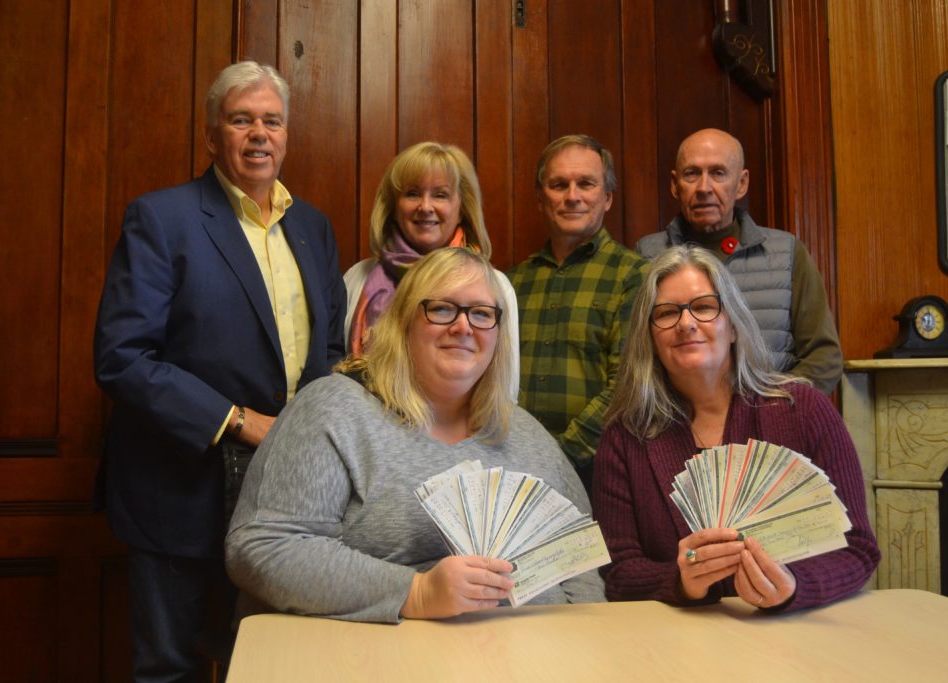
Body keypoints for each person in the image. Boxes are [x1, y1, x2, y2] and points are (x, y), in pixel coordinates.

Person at [93, 61, 346, 680]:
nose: (259, 134)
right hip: (178, 488)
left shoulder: (312, 227)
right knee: (169, 667)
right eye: (241, 120)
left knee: (272, 665)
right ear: (212, 137)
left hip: (287, 496)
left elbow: (331, 352)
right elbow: (121, 357)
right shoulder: (162, 219)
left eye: (272, 121)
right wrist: (239, 421)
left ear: (286, 136)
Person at [226, 248, 604, 623]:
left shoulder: (525, 432)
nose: (463, 326)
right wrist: (416, 592)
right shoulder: (333, 410)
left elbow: (579, 561)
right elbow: (261, 548)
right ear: (404, 321)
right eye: (441, 309)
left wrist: (580, 638)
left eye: (482, 313)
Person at [592, 244, 879, 611]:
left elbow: (858, 549)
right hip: (680, 645)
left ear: (732, 325)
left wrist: (794, 587)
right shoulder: (625, 436)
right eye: (666, 313)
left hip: (794, 641)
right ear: (649, 337)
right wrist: (680, 582)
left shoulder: (805, 411)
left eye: (704, 307)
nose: (686, 323)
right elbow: (619, 573)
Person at [637, 128, 843, 394]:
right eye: (692, 174)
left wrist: (775, 411)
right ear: (675, 185)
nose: (704, 188)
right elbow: (636, 357)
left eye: (718, 173)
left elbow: (823, 358)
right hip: (679, 423)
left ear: (741, 183)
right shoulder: (647, 256)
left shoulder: (786, 254)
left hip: (772, 425)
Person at [507, 134, 647, 486]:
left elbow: (627, 385)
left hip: (598, 474)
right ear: (540, 198)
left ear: (608, 197)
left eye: (586, 183)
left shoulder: (635, 275)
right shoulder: (510, 283)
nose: (572, 196)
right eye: (559, 185)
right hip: (510, 467)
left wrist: (557, 458)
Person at [344, 141, 519, 399]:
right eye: (413, 193)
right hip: (362, 431)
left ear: (461, 209)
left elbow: (504, 388)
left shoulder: (494, 286)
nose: (425, 207)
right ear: (394, 206)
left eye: (440, 195)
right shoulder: (357, 278)